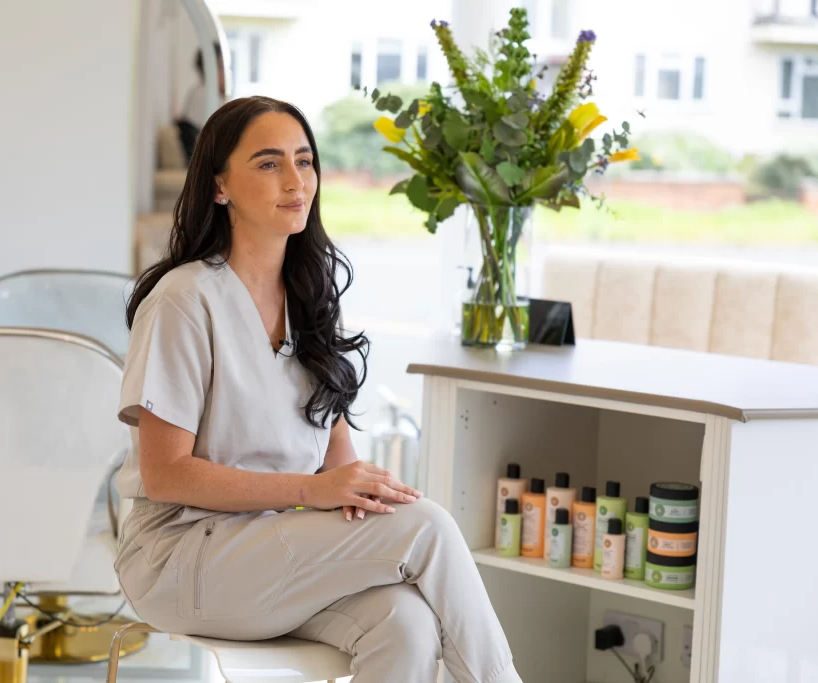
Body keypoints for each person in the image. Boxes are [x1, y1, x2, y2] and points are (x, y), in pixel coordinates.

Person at [114, 95, 523, 683]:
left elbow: (340, 471)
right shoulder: (185, 300)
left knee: (404, 623)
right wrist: (316, 490)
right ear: (220, 186)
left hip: (279, 552)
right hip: (182, 558)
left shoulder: (309, 300)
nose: (294, 180)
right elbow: (166, 476)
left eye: (304, 161)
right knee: (427, 526)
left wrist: (360, 493)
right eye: (268, 163)